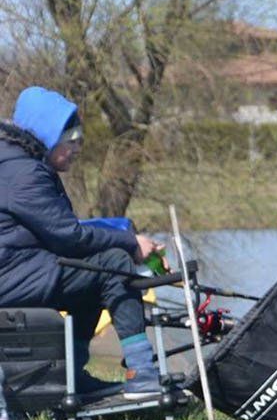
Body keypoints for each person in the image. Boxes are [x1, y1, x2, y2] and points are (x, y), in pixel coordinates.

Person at [0, 87, 164, 403]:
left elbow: (59, 232)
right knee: (113, 263)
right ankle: (142, 373)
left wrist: (118, 233)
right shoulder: (24, 173)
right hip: (10, 275)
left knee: (90, 272)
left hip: (15, 268)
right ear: (47, 133)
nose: (77, 147)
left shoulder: (17, 163)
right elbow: (68, 237)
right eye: (70, 137)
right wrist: (129, 244)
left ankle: (72, 372)